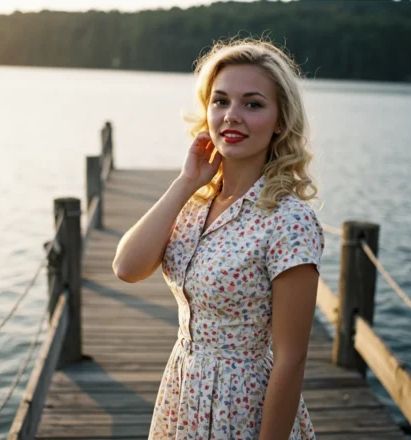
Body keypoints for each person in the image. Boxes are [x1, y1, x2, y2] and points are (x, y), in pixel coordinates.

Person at [112, 37, 325, 440]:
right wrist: (187, 181)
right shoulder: (196, 203)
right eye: (220, 101)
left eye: (253, 104)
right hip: (184, 392)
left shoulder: (289, 220)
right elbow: (126, 268)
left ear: (280, 120)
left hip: (242, 406)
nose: (232, 116)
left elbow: (291, 360)